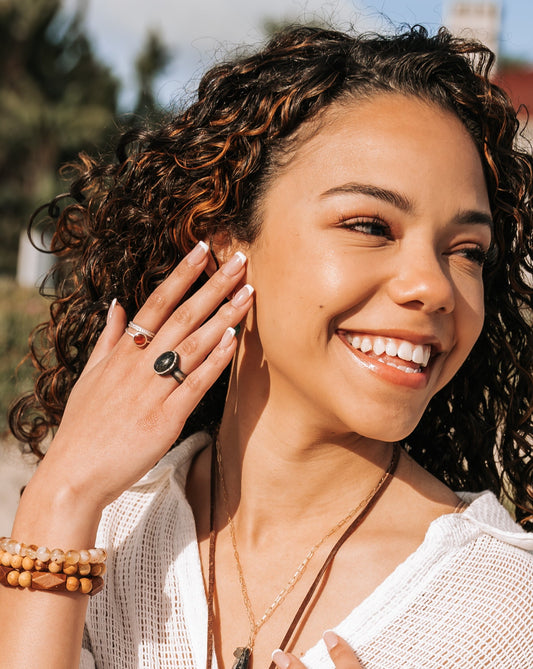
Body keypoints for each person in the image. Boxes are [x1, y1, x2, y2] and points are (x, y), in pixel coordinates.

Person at [1, 23, 532, 669]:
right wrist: (58, 500)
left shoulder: (506, 608)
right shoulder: (103, 521)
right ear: (227, 240)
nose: (433, 286)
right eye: (369, 225)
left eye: (466, 251)